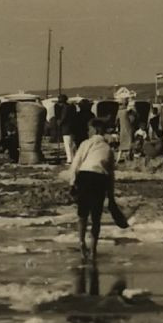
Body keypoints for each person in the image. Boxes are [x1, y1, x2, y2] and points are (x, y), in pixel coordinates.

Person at [70, 118, 116, 259]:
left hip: (85, 176)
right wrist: (111, 195)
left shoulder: (86, 143)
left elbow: (76, 164)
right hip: (100, 179)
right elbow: (111, 174)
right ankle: (93, 249)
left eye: (89, 129)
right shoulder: (108, 148)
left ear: (95, 130)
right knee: (96, 217)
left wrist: (72, 183)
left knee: (82, 214)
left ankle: (81, 242)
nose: (87, 131)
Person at [62, 98, 91, 164]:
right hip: (85, 133)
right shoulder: (90, 115)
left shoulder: (77, 115)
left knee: (79, 147)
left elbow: (74, 125)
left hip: (79, 134)